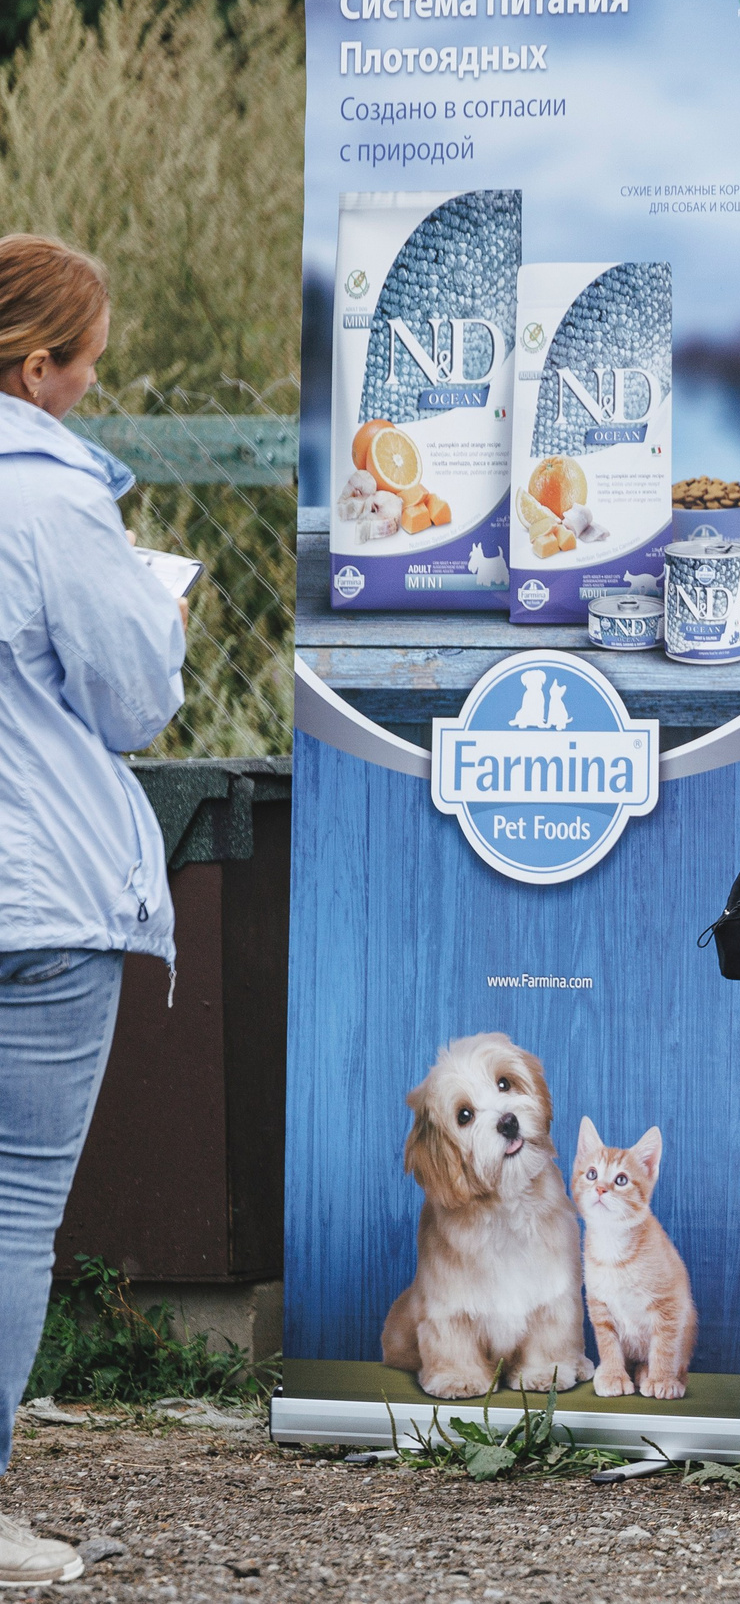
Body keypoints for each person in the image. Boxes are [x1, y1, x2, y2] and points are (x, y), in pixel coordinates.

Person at [0, 232, 185, 1586]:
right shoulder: (51, 496)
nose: (87, 392)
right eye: (84, 368)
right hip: (39, 894)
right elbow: (134, 702)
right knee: (10, 1209)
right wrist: (156, 611)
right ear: (34, 364)